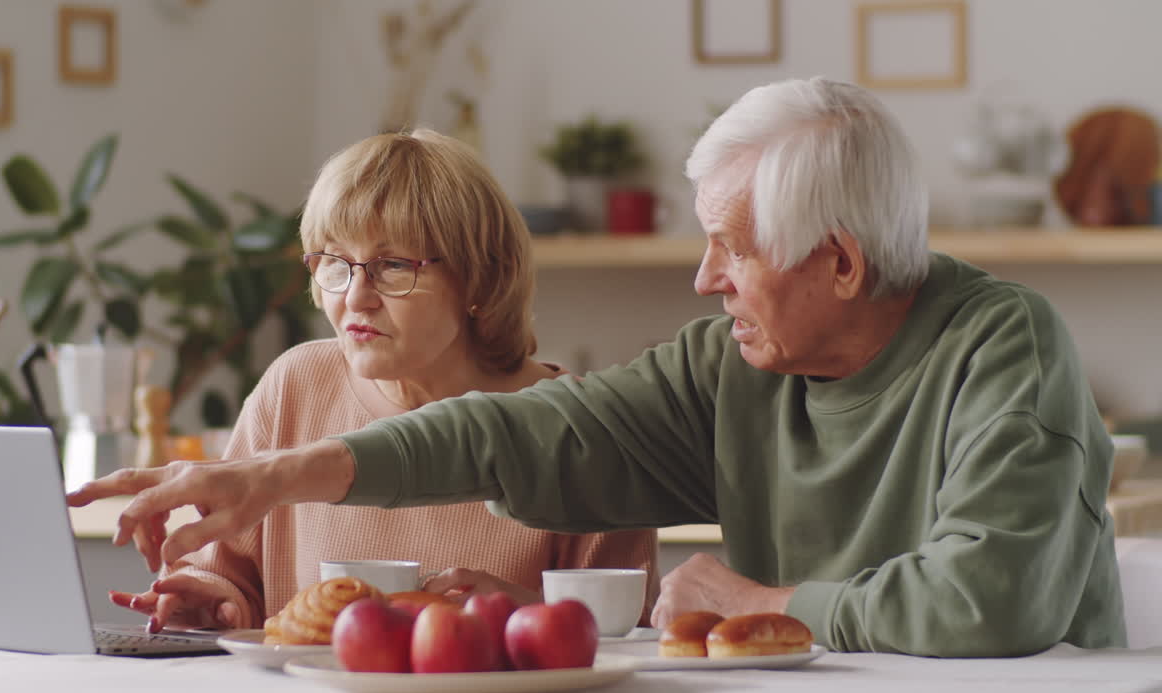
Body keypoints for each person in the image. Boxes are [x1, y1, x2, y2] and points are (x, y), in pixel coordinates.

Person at [71, 78, 1126, 657]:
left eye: (732, 248)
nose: (705, 280)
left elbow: (988, 604)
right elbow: (515, 432)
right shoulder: (730, 368)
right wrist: (267, 477)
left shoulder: (1000, 346)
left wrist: (765, 598)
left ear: (839, 261)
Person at [80, 128, 659, 633]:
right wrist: (208, 601)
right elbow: (229, 577)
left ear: (481, 283)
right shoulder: (295, 385)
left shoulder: (581, 429)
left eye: (393, 266)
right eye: (335, 262)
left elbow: (630, 640)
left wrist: (525, 612)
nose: (356, 297)